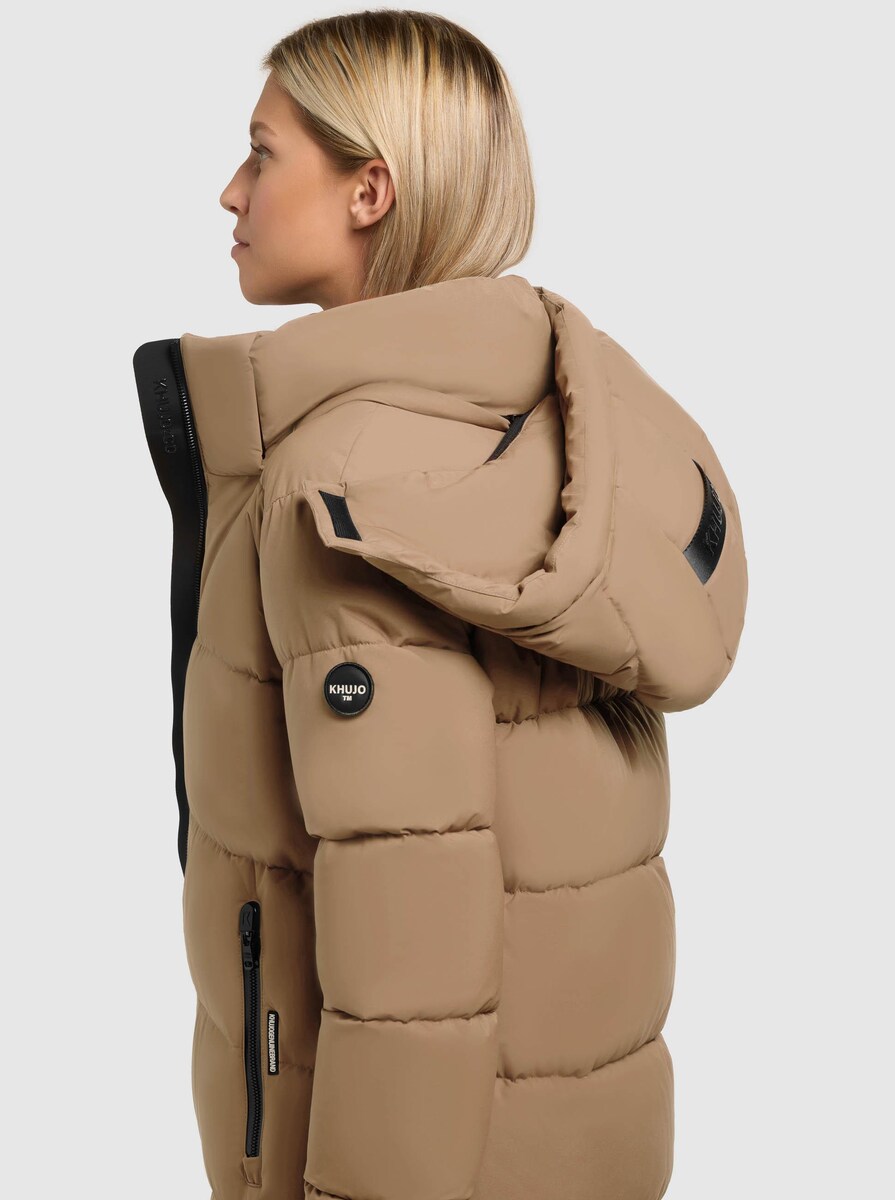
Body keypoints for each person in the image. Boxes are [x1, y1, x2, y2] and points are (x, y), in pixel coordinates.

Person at [134, 10, 748, 1200]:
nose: (230, 190)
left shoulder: (347, 485)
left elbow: (412, 959)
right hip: (579, 1148)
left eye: (262, 153)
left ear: (370, 191)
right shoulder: (557, 428)